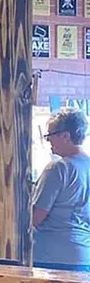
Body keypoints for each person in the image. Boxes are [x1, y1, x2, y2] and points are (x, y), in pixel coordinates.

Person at [33, 108, 90, 271]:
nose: (48, 141)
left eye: (49, 136)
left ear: (65, 136)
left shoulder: (58, 168)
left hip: (52, 254)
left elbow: (37, 216)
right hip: (84, 254)